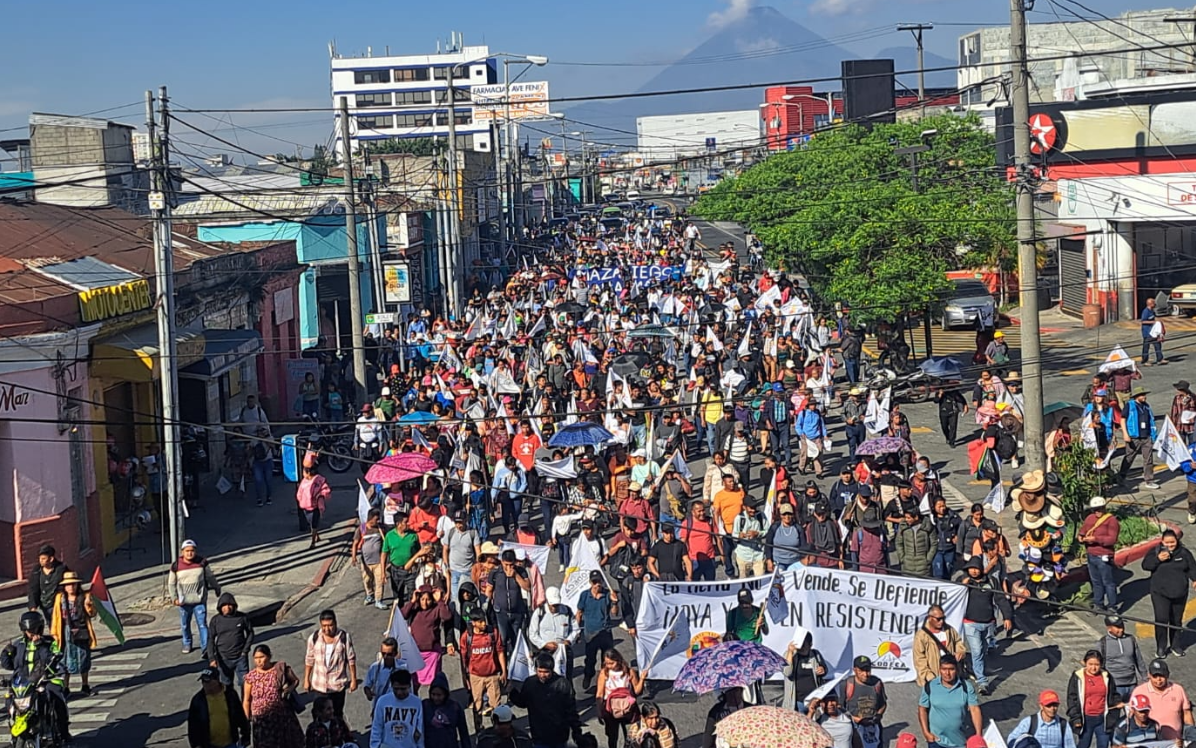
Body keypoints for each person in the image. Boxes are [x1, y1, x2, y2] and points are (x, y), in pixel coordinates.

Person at [1, 612, 69, 741]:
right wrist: (6, 653)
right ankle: (14, 732)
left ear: (40, 628)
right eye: (28, 630)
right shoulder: (18, 644)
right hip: (24, 682)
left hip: (46, 678)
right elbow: (10, 666)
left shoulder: (49, 642)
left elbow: (52, 659)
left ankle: (63, 731)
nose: (31, 633)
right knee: (10, 700)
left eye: (33, 629)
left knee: (56, 696)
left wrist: (41, 646)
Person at [958, 557, 1013, 695]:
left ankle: (972, 666)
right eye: (971, 568)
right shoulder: (964, 581)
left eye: (976, 568)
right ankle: (982, 681)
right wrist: (963, 585)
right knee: (976, 651)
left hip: (988, 623)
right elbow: (952, 595)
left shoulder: (992, 581)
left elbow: (1000, 599)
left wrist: (1007, 617)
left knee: (983, 649)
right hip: (970, 623)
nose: (974, 571)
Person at [508, 652, 585, 748]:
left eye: (546, 672)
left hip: (559, 735)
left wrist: (577, 730)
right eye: (540, 671)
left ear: (552, 670)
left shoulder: (563, 684)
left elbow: (571, 709)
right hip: (539, 735)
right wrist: (512, 692)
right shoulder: (530, 683)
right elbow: (523, 702)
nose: (543, 675)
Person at [1142, 529, 1196, 657]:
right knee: (1161, 620)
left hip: (1180, 593)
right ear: (1162, 542)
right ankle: (1161, 647)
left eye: (1172, 542)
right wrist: (1158, 559)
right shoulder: (1155, 552)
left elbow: (1192, 568)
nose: (1170, 545)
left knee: (1176, 620)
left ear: (1177, 541)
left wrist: (1194, 580)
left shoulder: (1184, 553)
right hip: (1160, 593)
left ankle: (1175, 645)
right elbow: (1146, 565)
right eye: (1167, 543)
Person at [302, 610, 358, 727]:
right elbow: (309, 659)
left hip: (337, 686)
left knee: (336, 716)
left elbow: (351, 659)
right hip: (319, 686)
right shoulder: (314, 638)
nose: (327, 629)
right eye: (324, 626)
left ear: (336, 623)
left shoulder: (344, 637)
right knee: (319, 716)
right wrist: (306, 679)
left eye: (330, 625)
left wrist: (353, 679)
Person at [242, 644, 304, 748]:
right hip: (261, 722)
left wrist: (289, 689)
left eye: (262, 657)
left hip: (281, 718)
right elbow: (247, 700)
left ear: (269, 656)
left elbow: (295, 681)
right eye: (256, 658)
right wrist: (246, 720)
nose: (259, 661)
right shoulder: (251, 677)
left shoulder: (279, 669)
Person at [169, 539, 221, 656]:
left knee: (202, 624)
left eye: (192, 551)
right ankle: (187, 643)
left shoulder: (202, 562)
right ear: (182, 552)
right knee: (185, 624)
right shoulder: (176, 565)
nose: (189, 553)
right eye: (187, 551)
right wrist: (174, 598)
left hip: (199, 600)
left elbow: (210, 577)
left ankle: (205, 647)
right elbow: (171, 584)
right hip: (184, 602)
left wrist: (217, 587)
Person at [48, 570, 96, 696]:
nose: (71, 587)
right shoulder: (60, 598)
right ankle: (66, 687)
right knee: (64, 660)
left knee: (84, 658)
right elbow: (56, 616)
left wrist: (88, 604)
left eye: (73, 584)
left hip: (81, 630)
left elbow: (92, 614)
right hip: (65, 632)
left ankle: (85, 685)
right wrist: (54, 632)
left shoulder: (84, 597)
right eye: (68, 585)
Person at [918, 655, 982, 748]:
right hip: (936, 741)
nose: (947, 673)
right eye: (944, 669)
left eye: (951, 669)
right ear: (939, 669)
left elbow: (975, 710)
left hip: (959, 742)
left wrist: (978, 736)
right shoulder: (930, 686)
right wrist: (926, 733)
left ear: (957, 669)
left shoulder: (966, 687)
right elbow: (922, 709)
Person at [1065, 650, 1120, 748]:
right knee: (1083, 745)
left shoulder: (1106, 676)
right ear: (1085, 663)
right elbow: (1072, 699)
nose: (1094, 668)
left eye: (1097, 664)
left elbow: (1113, 694)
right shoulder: (1077, 677)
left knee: (1103, 745)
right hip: (1086, 719)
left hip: (1102, 719)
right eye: (1090, 664)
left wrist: (1117, 703)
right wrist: (1076, 718)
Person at [1129, 659, 1192, 742]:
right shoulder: (1139, 691)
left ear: (1168, 675)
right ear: (1149, 675)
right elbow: (1131, 714)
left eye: (1162, 676)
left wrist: (1191, 736)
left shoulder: (1178, 689)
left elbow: (1187, 713)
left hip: (1175, 742)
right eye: (1155, 676)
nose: (1158, 679)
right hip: (1150, 743)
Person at [188, 665, 251, 748]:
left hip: (230, 743)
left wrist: (245, 734)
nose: (205, 684)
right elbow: (193, 725)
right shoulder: (198, 700)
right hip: (208, 745)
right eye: (203, 681)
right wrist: (195, 744)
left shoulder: (230, 694)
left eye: (208, 681)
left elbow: (240, 715)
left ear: (217, 680)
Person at [461, 611, 506, 722]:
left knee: (497, 706)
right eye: (480, 622)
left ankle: (497, 729)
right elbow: (464, 659)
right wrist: (466, 677)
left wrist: (504, 671)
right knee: (477, 705)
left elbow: (500, 651)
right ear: (473, 623)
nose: (484, 624)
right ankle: (478, 730)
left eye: (484, 620)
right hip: (476, 676)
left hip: (492, 675)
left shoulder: (493, 633)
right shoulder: (467, 637)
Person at [596, 648, 646, 748]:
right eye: (606, 663)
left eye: (611, 663)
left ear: (618, 660)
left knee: (631, 736)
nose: (609, 666)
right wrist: (599, 710)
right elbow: (600, 694)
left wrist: (642, 679)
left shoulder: (629, 672)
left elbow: (637, 691)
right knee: (612, 736)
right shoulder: (604, 673)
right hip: (610, 710)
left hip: (628, 709)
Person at [577, 570, 617, 691]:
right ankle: (588, 675)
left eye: (599, 581)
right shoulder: (584, 595)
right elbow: (579, 613)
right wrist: (577, 631)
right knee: (590, 659)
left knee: (607, 659)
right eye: (594, 582)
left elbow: (614, 613)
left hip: (605, 632)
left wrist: (615, 602)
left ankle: (605, 681)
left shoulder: (607, 594)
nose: (597, 584)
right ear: (590, 582)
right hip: (590, 633)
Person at [1079, 498, 1121, 611]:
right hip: (1091, 555)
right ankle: (1098, 604)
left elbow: (1112, 539)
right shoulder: (1090, 518)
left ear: (1104, 508)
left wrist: (1096, 539)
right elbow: (1083, 530)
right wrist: (1081, 536)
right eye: (1095, 509)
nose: (1097, 511)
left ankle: (1112, 606)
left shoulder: (1112, 521)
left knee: (1108, 582)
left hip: (1103, 556)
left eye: (1099, 509)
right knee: (1096, 582)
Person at [206, 592, 254, 691]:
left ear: (234, 605)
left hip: (240, 658)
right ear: (220, 607)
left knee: (246, 684)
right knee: (226, 686)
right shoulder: (216, 620)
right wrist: (212, 658)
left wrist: (245, 651)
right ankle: (230, 705)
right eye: (224, 605)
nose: (227, 607)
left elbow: (250, 633)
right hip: (223, 659)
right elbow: (210, 639)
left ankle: (245, 706)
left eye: (229, 605)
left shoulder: (242, 618)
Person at [914, 605, 969, 687]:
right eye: (938, 619)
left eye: (943, 618)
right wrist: (928, 676)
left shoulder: (949, 630)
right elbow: (919, 659)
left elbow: (958, 642)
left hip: (951, 676)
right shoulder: (921, 635)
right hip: (933, 677)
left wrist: (960, 651)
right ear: (930, 618)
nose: (941, 621)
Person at [490, 549, 531, 655]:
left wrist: (516, 576)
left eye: (511, 564)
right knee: (502, 639)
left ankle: (515, 663)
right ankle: (503, 664)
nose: (508, 567)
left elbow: (527, 587)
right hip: (501, 612)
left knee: (517, 639)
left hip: (517, 611)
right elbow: (488, 591)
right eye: (506, 564)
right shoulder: (495, 572)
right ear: (502, 561)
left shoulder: (521, 571)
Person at [371, 669, 424, 748]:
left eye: (403, 689)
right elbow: (377, 727)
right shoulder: (382, 701)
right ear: (391, 686)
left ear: (409, 686)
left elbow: (420, 730)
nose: (399, 692)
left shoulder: (417, 702)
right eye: (396, 689)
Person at [1098, 615, 1147, 701]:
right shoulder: (1103, 643)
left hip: (1132, 684)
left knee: (1133, 712)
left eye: (1122, 625)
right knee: (1114, 713)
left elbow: (1139, 660)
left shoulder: (1131, 639)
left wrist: (1145, 677)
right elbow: (1098, 664)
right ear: (1109, 628)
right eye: (1117, 627)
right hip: (1114, 686)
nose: (1121, 629)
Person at [842, 656, 887, 748]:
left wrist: (878, 716)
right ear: (854, 670)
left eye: (868, 670)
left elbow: (883, 704)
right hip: (855, 729)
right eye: (861, 671)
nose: (865, 674)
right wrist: (856, 719)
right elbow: (840, 708)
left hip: (874, 727)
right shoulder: (847, 684)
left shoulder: (877, 683)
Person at [1120, 388, 1160, 490]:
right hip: (1134, 436)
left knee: (1148, 459)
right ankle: (1121, 477)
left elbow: (1151, 420)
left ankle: (1149, 480)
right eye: (1142, 395)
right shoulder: (1130, 405)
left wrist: (1153, 435)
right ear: (1137, 396)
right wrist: (1125, 433)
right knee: (1129, 457)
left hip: (1146, 436)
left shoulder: (1146, 406)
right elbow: (1123, 419)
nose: (1144, 397)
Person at [1007, 690, 1077, 748]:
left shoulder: (1063, 724)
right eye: (1048, 705)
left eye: (1055, 705)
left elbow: (1070, 745)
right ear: (1041, 706)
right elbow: (1011, 740)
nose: (1052, 709)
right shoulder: (1029, 722)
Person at [383, 512, 426, 607]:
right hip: (396, 571)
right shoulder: (389, 536)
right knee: (398, 597)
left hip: (410, 571)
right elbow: (384, 553)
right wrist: (383, 572)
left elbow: (418, 551)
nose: (408, 524)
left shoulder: (413, 535)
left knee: (413, 597)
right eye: (406, 522)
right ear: (398, 524)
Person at [422, 672, 471, 748]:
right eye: (433, 694)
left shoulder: (455, 707)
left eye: (439, 695)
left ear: (445, 694)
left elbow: (463, 733)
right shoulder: (425, 706)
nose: (435, 698)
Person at [783, 630, 829, 711]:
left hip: (814, 701)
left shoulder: (815, 654)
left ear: (810, 645)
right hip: (797, 702)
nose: (801, 648)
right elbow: (787, 672)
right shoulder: (789, 655)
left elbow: (825, 669)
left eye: (804, 645)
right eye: (800, 645)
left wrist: (823, 670)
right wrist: (790, 652)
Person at [680, 500, 722, 581]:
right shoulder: (687, 523)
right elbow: (683, 542)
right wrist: (684, 559)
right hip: (694, 560)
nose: (702, 513)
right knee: (694, 585)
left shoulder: (710, 521)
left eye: (703, 510)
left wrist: (722, 554)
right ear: (693, 512)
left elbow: (717, 538)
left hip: (710, 559)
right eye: (699, 511)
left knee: (711, 584)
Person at [26, 544, 68, 623]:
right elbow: (33, 589)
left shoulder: (61, 569)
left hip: (59, 605)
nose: (41, 560)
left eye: (43, 558)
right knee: (51, 626)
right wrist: (33, 606)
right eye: (40, 558)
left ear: (51, 559)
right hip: (45, 605)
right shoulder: (36, 571)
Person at [364, 637, 403, 718]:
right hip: (379, 710)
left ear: (395, 653)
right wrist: (368, 693)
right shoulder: (375, 667)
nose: (385, 657)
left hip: (397, 710)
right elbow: (367, 684)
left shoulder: (402, 669)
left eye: (389, 654)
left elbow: (409, 691)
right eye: (383, 653)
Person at [297, 459, 333, 547]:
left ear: (308, 473)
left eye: (304, 472)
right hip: (305, 506)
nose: (303, 474)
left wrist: (320, 495)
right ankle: (316, 535)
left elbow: (326, 490)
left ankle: (313, 541)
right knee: (311, 523)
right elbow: (299, 492)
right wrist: (300, 499)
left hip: (315, 506)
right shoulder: (304, 481)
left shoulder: (319, 480)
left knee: (314, 524)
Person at [896, 506, 936, 578]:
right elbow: (899, 543)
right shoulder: (903, 526)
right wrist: (902, 558)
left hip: (923, 566)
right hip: (907, 565)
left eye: (909, 518)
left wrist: (928, 559)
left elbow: (934, 543)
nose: (906, 520)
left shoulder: (927, 526)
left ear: (916, 517)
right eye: (905, 517)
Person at [1140, 297, 1166, 366]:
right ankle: (1145, 360)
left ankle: (1160, 359)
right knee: (1146, 347)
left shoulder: (1152, 311)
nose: (1155, 304)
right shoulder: (1146, 311)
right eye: (1154, 303)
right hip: (1147, 332)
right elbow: (1143, 321)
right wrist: (1153, 322)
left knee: (1157, 345)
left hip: (1153, 331)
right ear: (1150, 304)